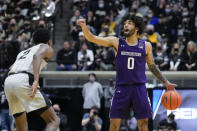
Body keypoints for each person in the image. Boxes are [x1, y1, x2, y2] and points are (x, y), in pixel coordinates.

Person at [77, 15, 177, 131]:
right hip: (122, 88)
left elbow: (153, 67)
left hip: (139, 88)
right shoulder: (116, 42)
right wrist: (84, 27)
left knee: (144, 123)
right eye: (125, 23)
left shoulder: (146, 46)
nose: (125, 25)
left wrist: (166, 82)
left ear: (137, 28)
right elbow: (92, 38)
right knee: (114, 124)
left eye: (129, 23)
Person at [3, 28, 60, 131]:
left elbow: (11, 68)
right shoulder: (46, 47)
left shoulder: (23, 52)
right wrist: (36, 80)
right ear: (49, 41)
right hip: (24, 79)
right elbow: (36, 56)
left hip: (9, 81)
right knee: (54, 120)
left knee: (21, 128)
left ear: (33, 41)